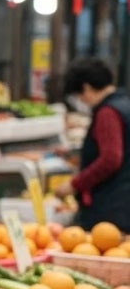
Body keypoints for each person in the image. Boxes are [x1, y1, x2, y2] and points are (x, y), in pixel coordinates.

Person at [54, 57, 130, 232]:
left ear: (86, 88)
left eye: (78, 95)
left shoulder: (108, 112)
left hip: (113, 209)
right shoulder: (124, 104)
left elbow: (111, 158)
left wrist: (75, 184)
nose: (81, 101)